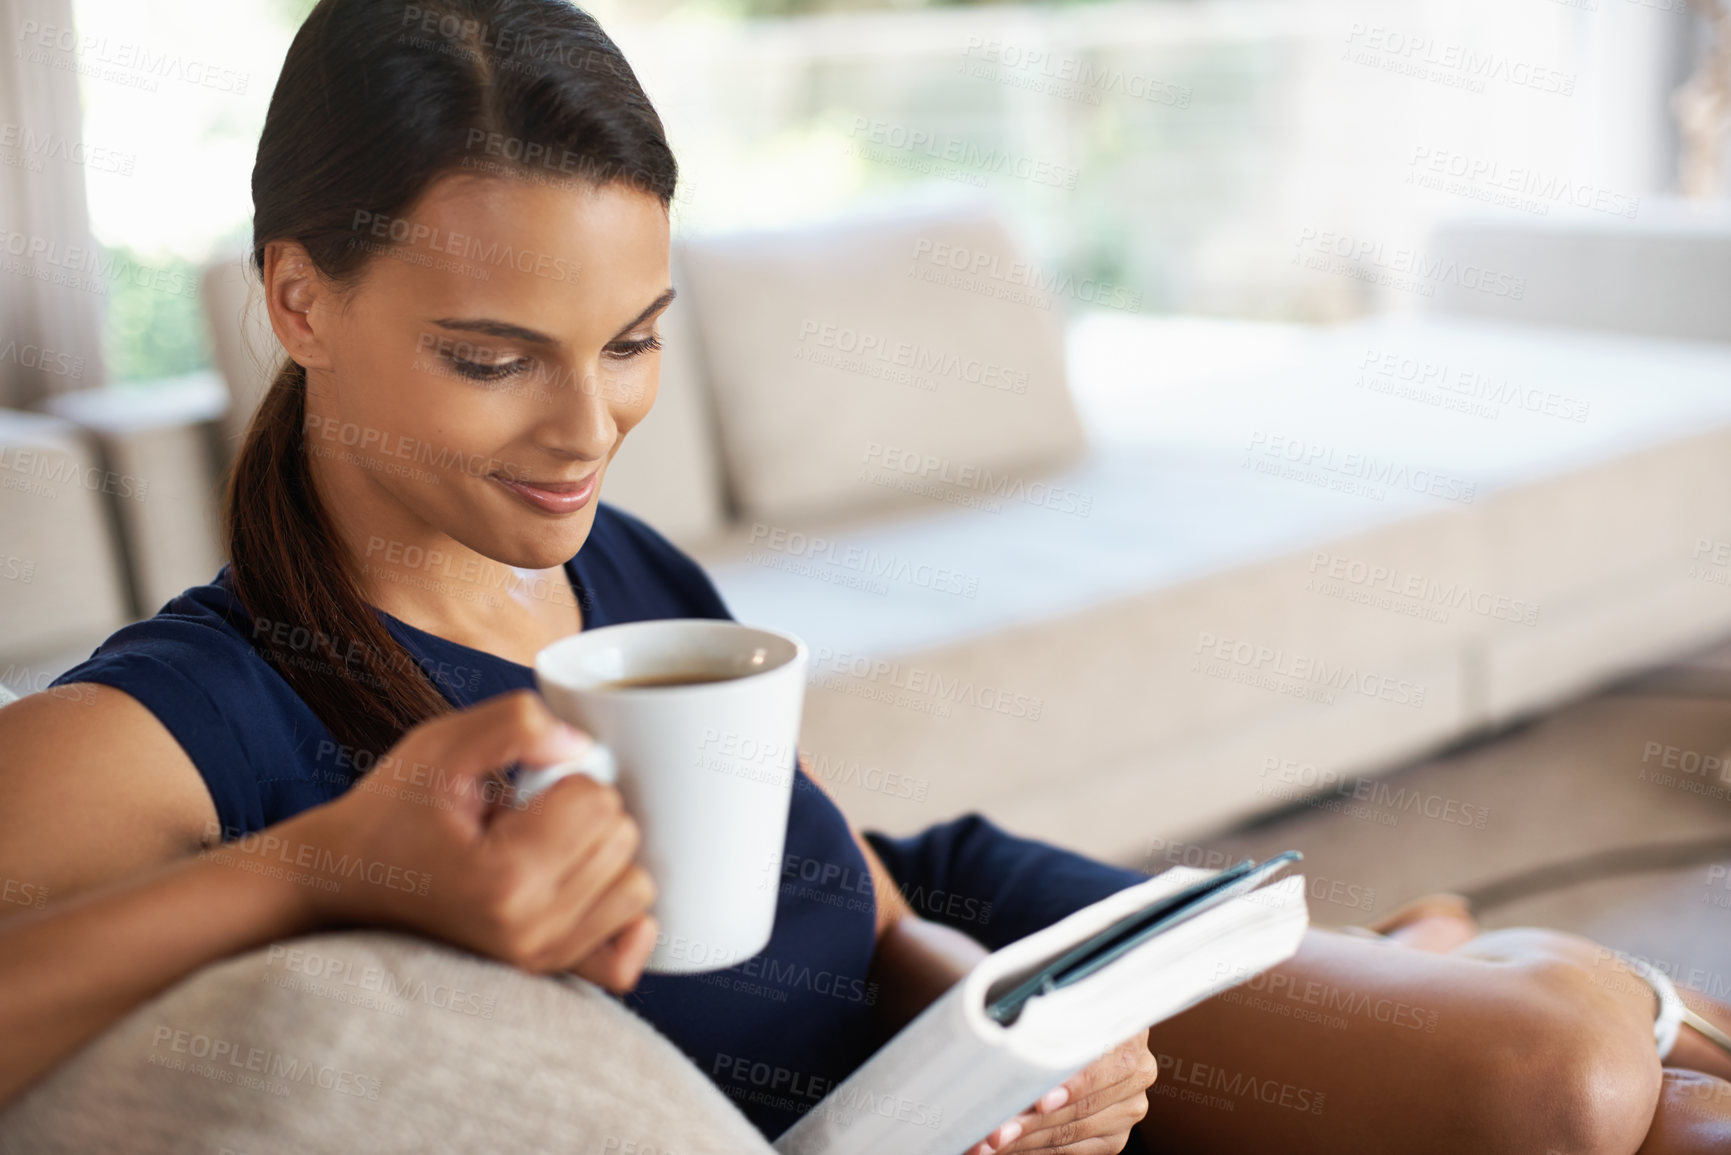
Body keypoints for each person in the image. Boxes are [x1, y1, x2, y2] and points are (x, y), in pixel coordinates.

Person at [0, 2, 1726, 1152]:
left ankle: (1492, 968)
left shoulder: (625, 575)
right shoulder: (182, 718)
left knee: (1593, 1089)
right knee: (1588, 1085)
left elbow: (861, 883)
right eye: (491, 355)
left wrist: (990, 1049)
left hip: (982, 979)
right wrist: (323, 866)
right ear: (297, 302)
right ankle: (1506, 966)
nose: (586, 426)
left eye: (633, 341)